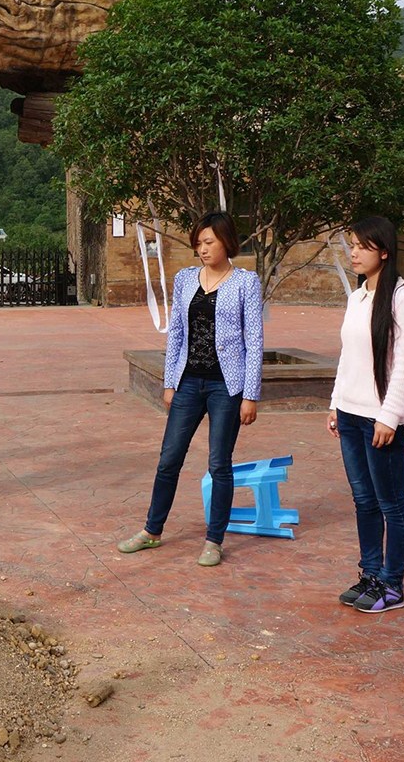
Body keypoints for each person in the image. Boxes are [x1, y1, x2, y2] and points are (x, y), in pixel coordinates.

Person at [117, 211, 262, 567]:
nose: (202, 249)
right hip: (187, 382)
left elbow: (254, 341)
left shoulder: (245, 281)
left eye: (209, 242)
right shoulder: (185, 279)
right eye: (198, 243)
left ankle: (214, 540)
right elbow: (177, 334)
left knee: (219, 464)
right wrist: (170, 383)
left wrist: (250, 394)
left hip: (226, 385)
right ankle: (152, 530)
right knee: (169, 459)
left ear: (227, 241)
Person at [327, 215, 404, 614]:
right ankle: (370, 573)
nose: (354, 252)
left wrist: (389, 416)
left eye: (363, 246)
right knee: (363, 499)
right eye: (352, 245)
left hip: (381, 418)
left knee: (391, 502)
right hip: (350, 413)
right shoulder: (358, 296)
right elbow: (349, 356)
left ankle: (392, 583)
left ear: (384, 251)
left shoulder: (401, 297)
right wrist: (335, 403)